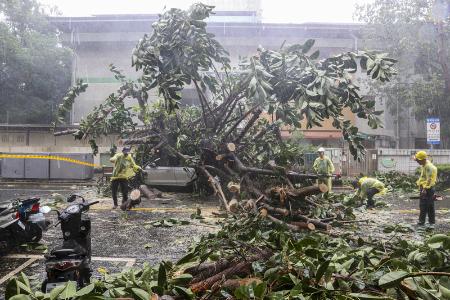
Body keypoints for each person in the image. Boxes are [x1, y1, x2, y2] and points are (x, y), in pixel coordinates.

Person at [415, 151, 437, 228]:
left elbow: (429, 179)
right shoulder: (425, 163)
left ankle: (422, 222)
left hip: (427, 188)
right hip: (428, 188)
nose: (417, 162)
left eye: (418, 160)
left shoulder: (428, 167)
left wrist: (424, 189)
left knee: (423, 205)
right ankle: (431, 222)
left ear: (422, 159)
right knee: (430, 205)